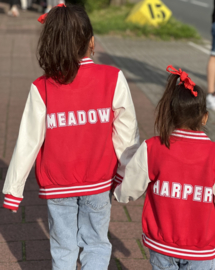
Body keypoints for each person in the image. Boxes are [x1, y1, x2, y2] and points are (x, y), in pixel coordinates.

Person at [2, 4, 139, 270]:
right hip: (99, 180)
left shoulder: (42, 87)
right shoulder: (112, 77)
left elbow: (28, 141)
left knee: (63, 246)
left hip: (58, 183)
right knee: (96, 243)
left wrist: (14, 190)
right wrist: (126, 174)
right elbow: (127, 131)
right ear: (91, 42)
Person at [114, 66, 215, 270]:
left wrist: (120, 194)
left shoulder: (153, 147)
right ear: (205, 117)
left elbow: (133, 182)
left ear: (171, 114)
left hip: (161, 245)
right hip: (200, 250)